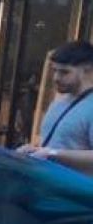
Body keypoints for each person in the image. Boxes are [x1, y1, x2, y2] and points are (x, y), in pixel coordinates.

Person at [19, 41, 93, 174]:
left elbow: (55, 150)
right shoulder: (59, 103)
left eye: (64, 72)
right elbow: (56, 144)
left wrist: (52, 153)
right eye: (54, 71)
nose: (56, 78)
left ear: (87, 69)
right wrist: (35, 149)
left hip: (77, 190)